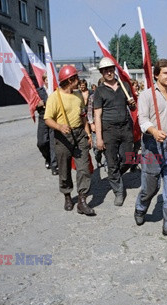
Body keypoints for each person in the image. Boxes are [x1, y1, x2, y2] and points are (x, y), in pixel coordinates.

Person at [134, 59, 167, 240]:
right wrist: (154, 131)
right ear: (156, 74)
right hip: (151, 145)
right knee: (150, 187)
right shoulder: (147, 95)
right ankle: (141, 207)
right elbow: (142, 120)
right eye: (166, 73)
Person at [44, 65, 95, 216]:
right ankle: (67, 195)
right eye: (76, 78)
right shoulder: (55, 97)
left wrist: (88, 134)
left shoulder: (78, 95)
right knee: (64, 169)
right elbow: (47, 119)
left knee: (84, 168)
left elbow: (83, 116)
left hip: (79, 134)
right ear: (70, 80)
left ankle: (82, 200)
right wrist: (59, 126)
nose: (79, 81)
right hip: (63, 137)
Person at [93, 57, 135, 206]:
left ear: (114, 70)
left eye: (111, 69)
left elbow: (133, 109)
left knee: (129, 159)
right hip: (108, 130)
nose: (109, 72)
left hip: (125, 128)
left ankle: (116, 174)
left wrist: (132, 104)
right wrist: (99, 138)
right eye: (106, 70)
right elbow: (97, 115)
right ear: (102, 73)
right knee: (112, 163)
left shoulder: (124, 86)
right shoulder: (99, 91)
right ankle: (118, 191)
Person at [36, 74, 58, 175]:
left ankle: (54, 165)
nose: (49, 81)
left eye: (50, 79)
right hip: (43, 118)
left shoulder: (56, 91)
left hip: (54, 118)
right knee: (42, 142)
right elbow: (32, 104)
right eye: (47, 80)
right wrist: (37, 104)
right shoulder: (38, 91)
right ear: (44, 80)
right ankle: (48, 158)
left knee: (53, 143)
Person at [87, 77, 105, 168]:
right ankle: (98, 159)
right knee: (97, 148)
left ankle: (107, 163)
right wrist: (91, 124)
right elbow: (89, 112)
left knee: (107, 147)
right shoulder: (92, 97)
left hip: (106, 125)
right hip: (96, 126)